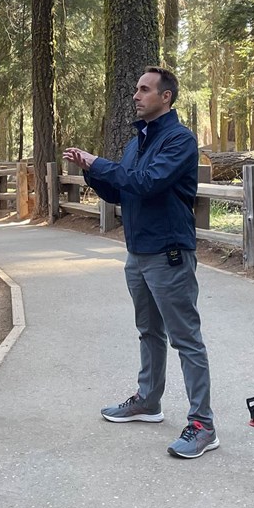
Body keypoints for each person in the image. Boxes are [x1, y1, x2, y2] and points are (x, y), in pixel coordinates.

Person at [62, 66, 217, 459]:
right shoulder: (136, 142)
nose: (136, 95)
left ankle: (203, 424)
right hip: (138, 253)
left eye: (145, 89)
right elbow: (123, 192)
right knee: (148, 331)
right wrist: (93, 173)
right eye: (136, 88)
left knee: (186, 339)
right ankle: (148, 401)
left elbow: (148, 182)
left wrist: (100, 163)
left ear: (166, 97)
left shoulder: (179, 140)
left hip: (169, 254)